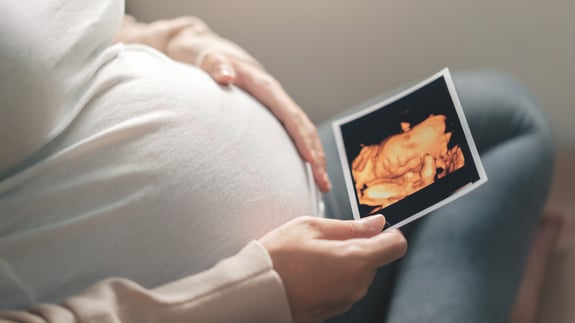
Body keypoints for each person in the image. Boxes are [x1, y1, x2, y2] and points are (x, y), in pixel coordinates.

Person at [0, 1, 558, 322]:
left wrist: (192, 45)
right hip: (241, 302)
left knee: (502, 123)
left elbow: (83, 34)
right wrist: (263, 290)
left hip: (316, 196)